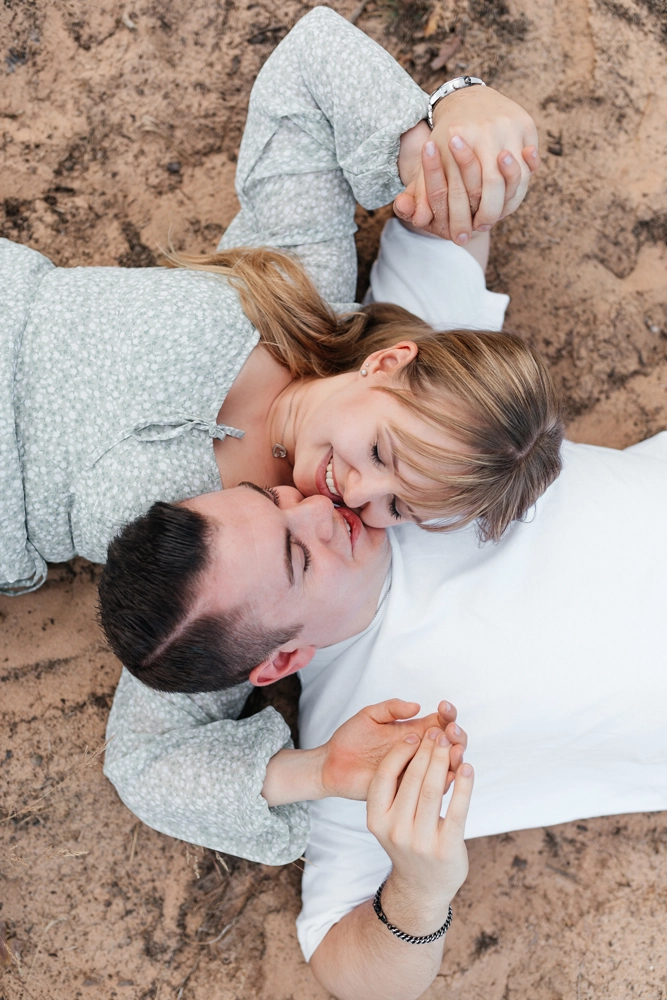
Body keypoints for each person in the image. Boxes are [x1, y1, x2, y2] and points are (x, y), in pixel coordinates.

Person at [0, 6, 557, 603]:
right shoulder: (298, 290)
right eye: (379, 451)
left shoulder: (281, 562)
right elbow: (310, 61)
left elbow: (184, 666)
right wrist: (429, 131)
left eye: (397, 505)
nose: (359, 492)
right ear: (387, 363)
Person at [100, 430, 667, 999]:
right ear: (282, 661)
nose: (322, 508)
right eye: (299, 559)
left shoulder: (381, 449)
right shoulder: (368, 746)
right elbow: (348, 970)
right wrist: (421, 891)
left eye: (276, 499)